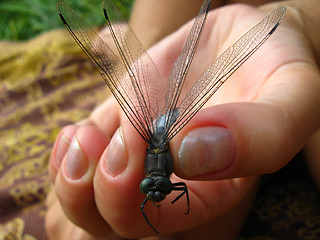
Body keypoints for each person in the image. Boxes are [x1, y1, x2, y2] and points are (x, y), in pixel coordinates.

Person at [46, 0, 320, 239]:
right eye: (158, 188)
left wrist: (300, 21)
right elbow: (179, 191)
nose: (155, 193)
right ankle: (136, 55)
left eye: (152, 188)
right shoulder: (160, 180)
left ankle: (134, 52)